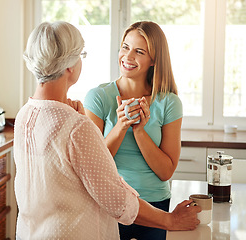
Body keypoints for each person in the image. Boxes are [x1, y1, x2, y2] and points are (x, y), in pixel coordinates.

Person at [14, 21, 200, 240]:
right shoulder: (77, 124)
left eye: (139, 51)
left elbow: (64, 175)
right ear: (70, 66)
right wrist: (171, 220)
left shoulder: (24, 115)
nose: (128, 56)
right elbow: (116, 199)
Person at [83, 21, 182, 239]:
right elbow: (92, 166)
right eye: (125, 47)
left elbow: (166, 171)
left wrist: (139, 132)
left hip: (156, 206)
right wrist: (121, 126)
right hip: (111, 203)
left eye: (139, 51)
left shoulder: (169, 102)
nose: (127, 57)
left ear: (154, 59)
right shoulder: (98, 97)